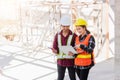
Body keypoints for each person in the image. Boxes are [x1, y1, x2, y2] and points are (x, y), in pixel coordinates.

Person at [51, 15, 77, 80]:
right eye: (63, 26)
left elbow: (77, 48)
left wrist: (74, 52)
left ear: (69, 26)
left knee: (73, 78)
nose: (65, 28)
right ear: (61, 25)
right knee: (60, 78)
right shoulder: (57, 35)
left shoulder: (74, 36)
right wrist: (55, 51)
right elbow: (55, 47)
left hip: (70, 61)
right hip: (60, 61)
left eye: (67, 26)